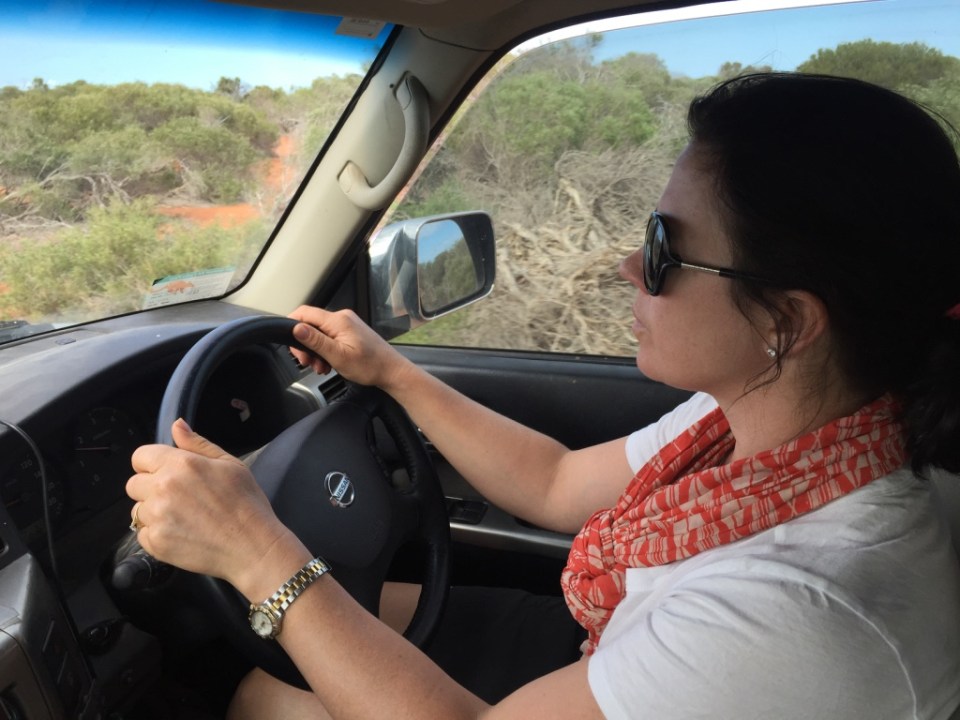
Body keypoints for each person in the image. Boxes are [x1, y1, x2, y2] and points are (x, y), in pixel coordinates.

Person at [126, 72, 960, 719]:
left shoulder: (807, 608)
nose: (631, 268)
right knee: (346, 611)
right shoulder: (771, 416)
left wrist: (255, 550)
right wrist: (394, 373)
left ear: (786, 321)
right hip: (611, 650)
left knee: (269, 695)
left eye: (665, 250)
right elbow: (556, 482)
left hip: (663, 663)